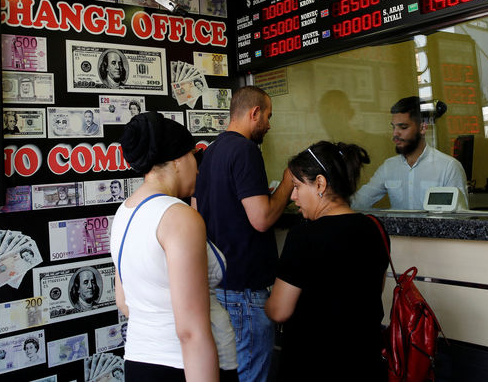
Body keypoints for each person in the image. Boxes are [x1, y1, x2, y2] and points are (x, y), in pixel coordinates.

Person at [111, 111, 237, 381]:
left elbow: (124, 301)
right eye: (194, 155)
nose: (198, 167)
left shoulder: (124, 211)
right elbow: (191, 332)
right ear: (178, 160)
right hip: (186, 367)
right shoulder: (179, 217)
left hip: (139, 360)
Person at [193, 85, 294, 382]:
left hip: (218, 287)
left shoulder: (209, 153)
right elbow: (261, 218)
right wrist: (288, 184)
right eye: (268, 117)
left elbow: (199, 211)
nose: (269, 125)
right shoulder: (246, 150)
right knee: (251, 375)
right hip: (245, 292)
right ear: (254, 113)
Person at [265, 141, 389, 380]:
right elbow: (374, 290)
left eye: (298, 186)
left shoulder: (304, 235)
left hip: (314, 363)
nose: (293, 196)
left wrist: (265, 305)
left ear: (320, 183)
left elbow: (279, 310)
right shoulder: (375, 229)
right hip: (365, 362)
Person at [352, 96, 467, 210]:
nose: (395, 134)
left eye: (403, 127)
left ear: (422, 128)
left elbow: (460, 219)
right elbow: (359, 202)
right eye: (394, 127)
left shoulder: (448, 167)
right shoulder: (388, 167)